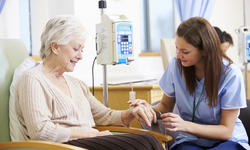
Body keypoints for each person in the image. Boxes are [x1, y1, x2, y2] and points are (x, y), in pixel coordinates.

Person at [15, 15, 163, 150]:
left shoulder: (76, 84)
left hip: (87, 142)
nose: (80, 56)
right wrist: (90, 134)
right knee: (145, 142)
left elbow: (105, 115)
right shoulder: (32, 80)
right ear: (55, 47)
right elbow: (40, 132)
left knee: (149, 140)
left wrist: (130, 113)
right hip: (62, 146)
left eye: (82, 50)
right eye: (76, 49)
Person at [130, 17, 249, 150]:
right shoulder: (176, 66)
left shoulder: (230, 74)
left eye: (185, 52)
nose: (179, 56)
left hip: (227, 141)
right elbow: (165, 106)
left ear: (204, 50)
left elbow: (226, 131)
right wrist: (147, 109)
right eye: (177, 49)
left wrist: (185, 125)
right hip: (190, 140)